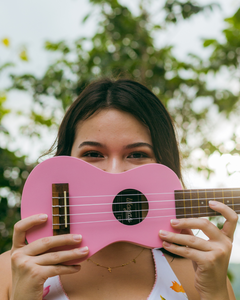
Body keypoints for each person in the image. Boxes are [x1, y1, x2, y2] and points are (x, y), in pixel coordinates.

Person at [0, 78, 238, 300]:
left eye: (137, 154)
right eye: (93, 154)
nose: (114, 172)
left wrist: (215, 291)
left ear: (164, 164)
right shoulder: (13, 271)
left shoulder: (199, 275)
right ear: (65, 158)